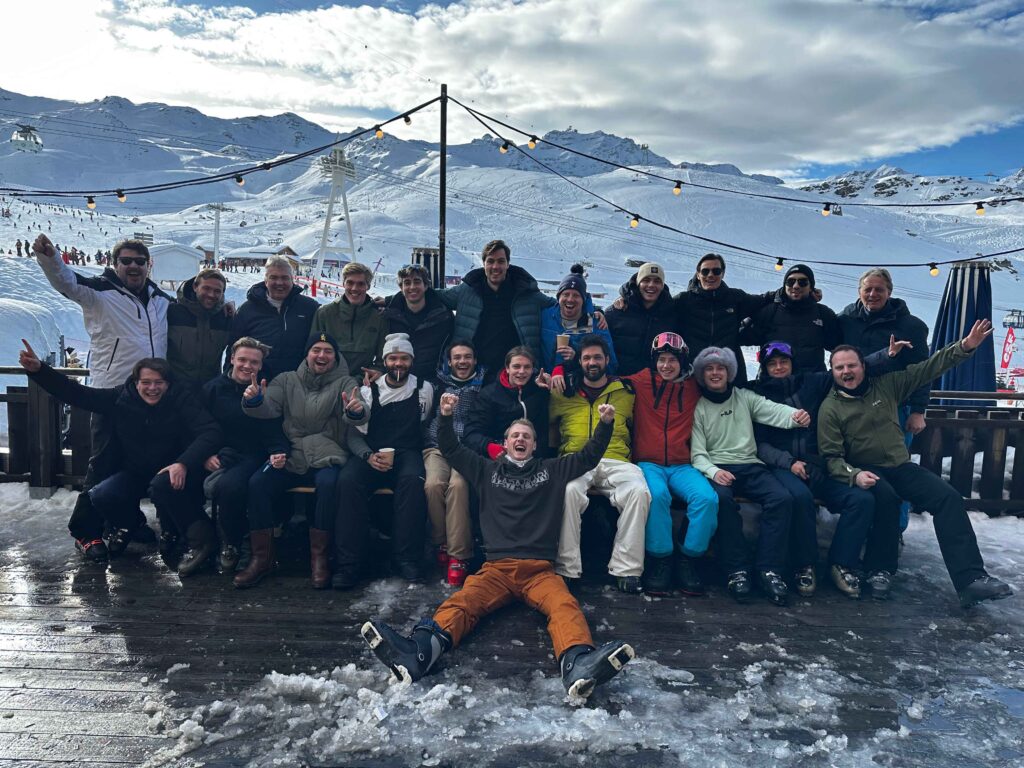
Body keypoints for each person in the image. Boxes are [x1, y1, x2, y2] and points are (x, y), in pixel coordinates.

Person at [360, 394, 635, 700]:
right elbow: (451, 449)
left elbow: (588, 457)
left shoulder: (552, 470)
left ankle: (578, 663)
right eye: (515, 435)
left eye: (526, 437)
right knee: (463, 602)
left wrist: (605, 424)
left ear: (534, 445)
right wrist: (446, 417)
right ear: (505, 443)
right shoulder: (486, 470)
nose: (520, 440)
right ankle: (419, 651)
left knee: (564, 606)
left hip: (539, 571)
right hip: (496, 569)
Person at [817, 320, 1013, 608]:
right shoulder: (830, 408)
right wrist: (854, 474)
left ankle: (971, 579)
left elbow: (928, 368)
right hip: (866, 470)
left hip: (900, 466)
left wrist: (965, 347)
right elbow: (831, 457)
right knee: (886, 498)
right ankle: (879, 569)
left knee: (947, 498)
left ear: (863, 366)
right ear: (833, 372)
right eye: (839, 367)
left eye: (852, 365)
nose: (846, 371)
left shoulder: (887, 385)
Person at [19, 342, 222, 575]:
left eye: (159, 383)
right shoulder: (119, 398)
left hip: (169, 474)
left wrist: (183, 462)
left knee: (164, 488)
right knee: (102, 494)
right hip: (133, 473)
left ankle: (178, 533)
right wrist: (40, 371)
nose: (152, 388)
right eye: (146, 382)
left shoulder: (181, 399)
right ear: (136, 383)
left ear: (168, 384)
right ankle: (130, 522)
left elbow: (210, 431)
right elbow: (79, 394)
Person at [752, 339, 907, 599]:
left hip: (820, 466)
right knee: (800, 497)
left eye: (783, 361)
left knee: (861, 499)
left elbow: (850, 368)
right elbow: (759, 444)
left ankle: (841, 564)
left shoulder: (812, 383)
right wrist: (788, 462)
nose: (779, 367)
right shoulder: (757, 395)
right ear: (764, 368)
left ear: (792, 363)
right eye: (772, 364)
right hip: (783, 466)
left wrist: (887, 355)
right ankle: (805, 564)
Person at [235, 333, 366, 589]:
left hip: (328, 453)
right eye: (316, 350)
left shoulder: (345, 381)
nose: (321, 355)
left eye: (328, 351)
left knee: (329, 484)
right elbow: (267, 408)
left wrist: (356, 411)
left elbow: (356, 410)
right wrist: (254, 400)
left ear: (335, 357)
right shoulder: (286, 379)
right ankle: (261, 557)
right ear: (307, 354)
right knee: (258, 483)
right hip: (292, 454)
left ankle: (320, 558)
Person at [689, 346, 811, 606]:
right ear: (701, 374)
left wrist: (794, 416)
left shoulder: (744, 397)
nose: (715, 373)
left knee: (781, 498)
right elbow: (697, 453)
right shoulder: (698, 407)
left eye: (720, 368)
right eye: (709, 369)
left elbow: (771, 409)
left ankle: (769, 568)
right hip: (718, 468)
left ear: (729, 372)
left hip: (750, 465)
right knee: (722, 501)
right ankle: (737, 569)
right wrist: (714, 471)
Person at [550, 335, 649, 594]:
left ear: (607, 360)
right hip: (576, 458)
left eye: (597, 357)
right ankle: (566, 568)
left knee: (638, 492)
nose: (592, 362)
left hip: (616, 458)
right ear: (579, 362)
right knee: (568, 491)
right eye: (586, 358)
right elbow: (541, 417)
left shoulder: (626, 392)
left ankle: (627, 569)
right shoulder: (564, 392)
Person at [336, 333, 434, 588]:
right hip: (372, 451)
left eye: (404, 358)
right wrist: (368, 456)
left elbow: (424, 423)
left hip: (408, 451)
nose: (398, 363)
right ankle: (349, 564)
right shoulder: (369, 391)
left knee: (413, 481)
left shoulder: (424, 389)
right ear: (385, 361)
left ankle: (407, 558)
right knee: (348, 481)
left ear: (411, 360)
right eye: (393, 358)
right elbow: (354, 434)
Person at [836, 268, 930, 530]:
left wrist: (918, 410)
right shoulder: (846, 319)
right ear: (859, 291)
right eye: (867, 289)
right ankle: (864, 525)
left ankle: (894, 529)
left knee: (896, 468)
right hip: (854, 406)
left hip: (896, 408)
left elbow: (922, 371)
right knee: (857, 465)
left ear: (890, 291)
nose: (872, 294)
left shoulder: (911, 326)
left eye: (879, 289)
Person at [624, 332, 717, 596]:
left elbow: (722, 384)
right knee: (656, 496)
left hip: (682, 465)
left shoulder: (694, 386)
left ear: (682, 361)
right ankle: (661, 559)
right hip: (648, 463)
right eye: (661, 360)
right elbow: (605, 382)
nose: (666, 365)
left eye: (672, 360)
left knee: (707, 499)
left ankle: (688, 558)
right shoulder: (642, 381)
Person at [202, 337, 289, 571]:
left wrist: (278, 450)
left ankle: (237, 541)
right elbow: (200, 427)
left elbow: (274, 425)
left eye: (254, 362)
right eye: (242, 360)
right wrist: (206, 455)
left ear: (261, 365)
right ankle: (210, 541)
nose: (247, 366)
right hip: (221, 452)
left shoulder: (267, 388)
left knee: (233, 486)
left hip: (254, 453)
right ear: (232, 359)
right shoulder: (213, 389)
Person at [437, 239, 556, 381]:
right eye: (490, 261)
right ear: (484, 263)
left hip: (515, 374)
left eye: (501, 261)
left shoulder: (526, 292)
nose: (495, 266)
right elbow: (434, 296)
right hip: (474, 374)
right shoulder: (468, 290)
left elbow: (561, 305)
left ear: (508, 264)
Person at [422, 340, 487, 586]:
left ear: (475, 360)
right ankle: (441, 542)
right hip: (436, 446)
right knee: (433, 484)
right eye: (457, 357)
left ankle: (459, 555)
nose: (462, 362)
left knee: (458, 486)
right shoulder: (436, 384)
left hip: (465, 449)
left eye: (467, 357)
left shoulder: (483, 385)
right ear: (449, 362)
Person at [673, 253, 774, 384]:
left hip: (729, 377)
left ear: (723, 274)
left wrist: (786, 291)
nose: (710, 275)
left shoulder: (735, 298)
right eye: (705, 271)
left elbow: (763, 300)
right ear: (698, 275)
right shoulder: (683, 300)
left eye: (716, 271)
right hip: (693, 376)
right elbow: (661, 307)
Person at [227, 255, 319, 382]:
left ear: (292, 280)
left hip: (299, 383)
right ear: (266, 281)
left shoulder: (309, 308)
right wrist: (229, 383)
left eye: (285, 278)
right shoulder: (247, 310)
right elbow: (233, 349)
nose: (279, 283)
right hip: (257, 383)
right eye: (273, 277)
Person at [749, 264, 842, 374]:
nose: (796, 286)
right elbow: (741, 336)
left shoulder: (824, 313)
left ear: (811, 287)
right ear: (784, 286)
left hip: (813, 381)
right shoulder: (769, 311)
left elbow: (838, 348)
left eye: (803, 282)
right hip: (775, 381)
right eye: (790, 282)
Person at [463, 346, 552, 459]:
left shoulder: (540, 390)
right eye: (516, 366)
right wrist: (489, 447)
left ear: (532, 369)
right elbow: (471, 433)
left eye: (527, 367)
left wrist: (551, 384)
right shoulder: (489, 394)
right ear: (507, 368)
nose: (521, 371)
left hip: (534, 458)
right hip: (499, 457)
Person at [310, 262, 388, 377]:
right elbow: (314, 353)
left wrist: (369, 376)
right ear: (343, 283)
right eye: (350, 283)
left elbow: (382, 360)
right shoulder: (324, 314)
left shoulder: (379, 317)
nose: (354, 288)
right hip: (328, 380)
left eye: (360, 284)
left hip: (364, 382)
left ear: (368, 286)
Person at [380, 263, 454, 384]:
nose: (412, 287)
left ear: (426, 285)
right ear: (401, 287)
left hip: (433, 381)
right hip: (398, 380)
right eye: (407, 283)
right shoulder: (389, 317)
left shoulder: (443, 317)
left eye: (417, 282)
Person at [539, 264, 617, 375]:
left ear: (583, 300)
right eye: (566, 294)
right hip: (546, 381)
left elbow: (610, 366)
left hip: (581, 383)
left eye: (576, 295)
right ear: (559, 297)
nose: (570, 299)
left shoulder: (596, 324)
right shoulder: (545, 316)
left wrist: (578, 358)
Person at [604, 262, 677, 376]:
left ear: (662, 286)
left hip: (653, 381)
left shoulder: (671, 314)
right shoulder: (616, 312)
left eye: (657, 281)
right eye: (646, 280)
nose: (651, 285)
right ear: (638, 283)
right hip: (619, 379)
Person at [167, 269, 232, 389]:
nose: (211, 294)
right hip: (176, 389)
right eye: (206, 288)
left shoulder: (226, 317)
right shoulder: (172, 312)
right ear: (195, 287)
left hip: (210, 388)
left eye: (217, 291)